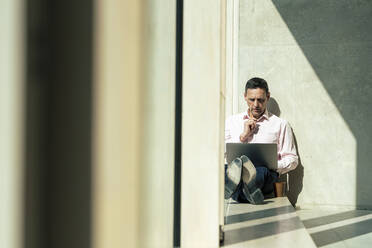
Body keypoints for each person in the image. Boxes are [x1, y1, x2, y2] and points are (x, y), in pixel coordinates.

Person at [224, 77, 298, 204]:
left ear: (267, 97)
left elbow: (292, 159)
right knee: (226, 169)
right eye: (252, 100)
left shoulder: (280, 124)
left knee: (260, 171)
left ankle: (235, 191)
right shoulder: (232, 121)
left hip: (264, 174)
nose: (256, 105)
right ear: (245, 97)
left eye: (260, 100)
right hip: (235, 171)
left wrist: (272, 165)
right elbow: (222, 154)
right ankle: (248, 194)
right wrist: (243, 136)